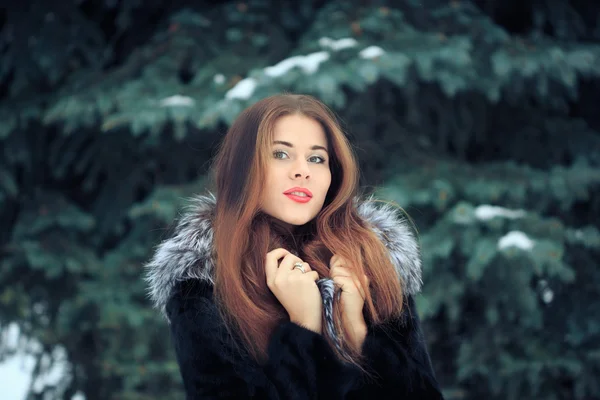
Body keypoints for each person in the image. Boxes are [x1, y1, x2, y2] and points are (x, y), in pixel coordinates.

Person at [145, 94, 444, 399]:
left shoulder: (370, 262)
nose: (303, 171)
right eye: (280, 154)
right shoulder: (202, 285)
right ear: (243, 168)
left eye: (317, 158)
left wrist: (357, 332)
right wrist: (303, 328)